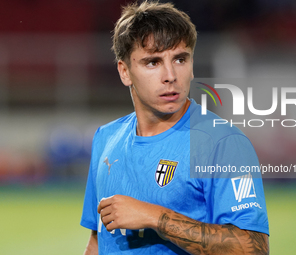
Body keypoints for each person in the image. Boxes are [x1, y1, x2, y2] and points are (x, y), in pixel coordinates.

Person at [81, 1, 269, 254]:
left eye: (180, 59)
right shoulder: (106, 138)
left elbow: (253, 249)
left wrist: (157, 218)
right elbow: (98, 241)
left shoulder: (222, 142)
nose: (170, 75)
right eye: (153, 62)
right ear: (125, 72)